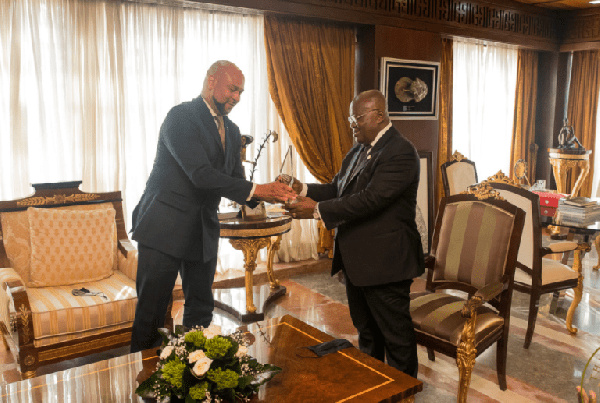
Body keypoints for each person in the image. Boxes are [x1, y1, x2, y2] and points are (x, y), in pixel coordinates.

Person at [130, 60, 296, 353]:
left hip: (202, 227)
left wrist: (272, 193)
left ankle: (192, 379)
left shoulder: (232, 131)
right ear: (210, 81)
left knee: (201, 311)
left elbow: (236, 181)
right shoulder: (180, 117)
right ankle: (145, 388)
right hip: (163, 226)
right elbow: (200, 174)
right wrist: (258, 189)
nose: (236, 97)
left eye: (241, 92)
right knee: (151, 314)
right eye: (232, 89)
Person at [282, 89, 424, 378]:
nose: (352, 124)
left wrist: (316, 210)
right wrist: (302, 188)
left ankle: (403, 393)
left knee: (396, 339)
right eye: (351, 118)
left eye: (357, 117)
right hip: (358, 263)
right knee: (368, 334)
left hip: (387, 265)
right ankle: (375, 385)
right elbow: (338, 189)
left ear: (379, 115)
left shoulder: (401, 152)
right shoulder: (359, 149)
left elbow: (371, 200)